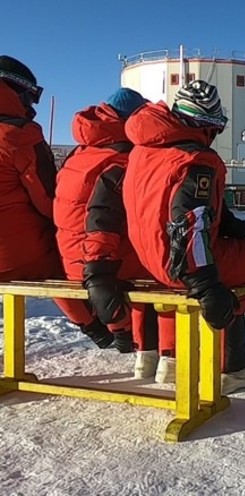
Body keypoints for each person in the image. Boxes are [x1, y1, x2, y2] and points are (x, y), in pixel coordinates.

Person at [122, 80, 245, 392]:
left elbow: (167, 206)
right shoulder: (196, 160)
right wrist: (206, 284)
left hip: (148, 258)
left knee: (223, 260)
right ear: (206, 126)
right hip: (182, 264)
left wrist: (227, 223)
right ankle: (233, 367)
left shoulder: (142, 151)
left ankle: (169, 360)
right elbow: (189, 223)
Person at [54, 88, 176, 378]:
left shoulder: (80, 153)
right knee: (163, 266)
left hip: (70, 258)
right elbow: (106, 218)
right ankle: (163, 355)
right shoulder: (124, 158)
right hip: (100, 260)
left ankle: (137, 347)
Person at [0, 54, 113, 348]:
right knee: (63, 251)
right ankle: (101, 327)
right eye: (30, 97)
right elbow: (50, 200)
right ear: (14, 91)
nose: (32, 107)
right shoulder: (17, 135)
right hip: (12, 258)